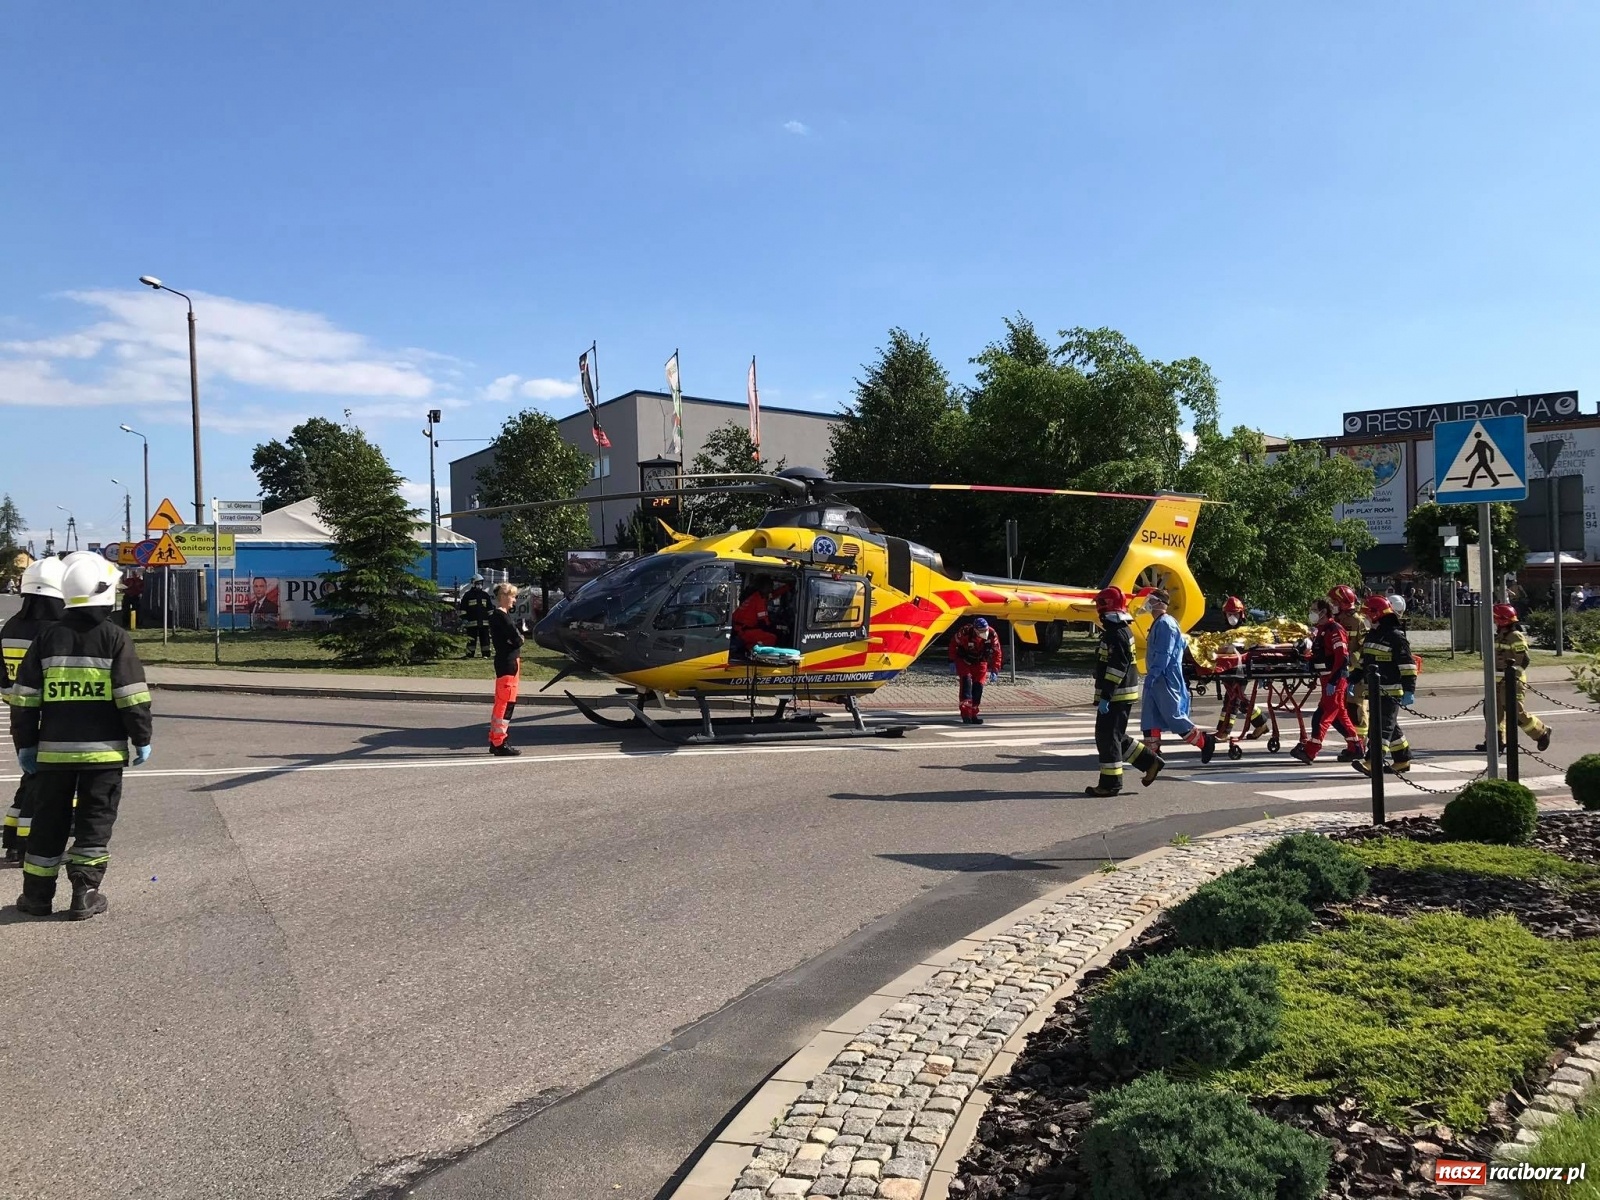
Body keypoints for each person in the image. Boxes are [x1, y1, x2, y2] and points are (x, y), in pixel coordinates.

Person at [10, 554, 152, 918]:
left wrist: (25, 744)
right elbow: (131, 696)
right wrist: (142, 737)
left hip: (53, 755)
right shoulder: (116, 638)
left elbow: (24, 699)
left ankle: (37, 897)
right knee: (93, 823)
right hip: (103, 756)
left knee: (48, 823)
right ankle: (85, 894)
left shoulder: (45, 638)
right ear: (105, 595)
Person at [2, 556, 66, 865]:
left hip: (20, 717)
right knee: (45, 786)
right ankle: (27, 845)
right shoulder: (54, 630)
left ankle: (13, 839)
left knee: (29, 779)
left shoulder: (11, 626)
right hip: (49, 718)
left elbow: (3, 681)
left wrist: (15, 702)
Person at [1085, 587, 1164, 796]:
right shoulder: (1119, 629)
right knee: (1114, 735)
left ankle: (1110, 784)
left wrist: (1106, 696)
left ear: (1105, 607)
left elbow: (1116, 668)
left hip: (1116, 696)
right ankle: (1150, 762)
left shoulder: (1116, 633)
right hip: (1119, 695)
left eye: (1099, 606)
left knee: (1107, 737)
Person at [1139, 589, 1218, 763]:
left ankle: (1205, 742)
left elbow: (1164, 653)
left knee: (1174, 717)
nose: (1148, 604)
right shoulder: (1159, 623)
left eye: (1151, 600)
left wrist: (1155, 673)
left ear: (1160, 603)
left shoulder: (1166, 624)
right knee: (1149, 718)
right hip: (1156, 678)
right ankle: (1153, 754)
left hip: (1166, 678)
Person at [1290, 598, 1365, 765]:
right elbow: (1320, 654)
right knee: (1340, 716)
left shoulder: (1335, 629)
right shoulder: (1321, 630)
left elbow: (1342, 657)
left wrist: (1335, 680)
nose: (1312, 612)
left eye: (1315, 609)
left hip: (1335, 679)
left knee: (1322, 716)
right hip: (1327, 679)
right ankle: (1356, 747)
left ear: (1324, 612)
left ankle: (1310, 752)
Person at [1352, 593, 1415, 777]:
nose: (1366, 619)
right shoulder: (1374, 634)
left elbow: (1408, 666)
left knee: (1381, 727)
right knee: (1390, 727)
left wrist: (1409, 690)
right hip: (1374, 690)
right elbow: (1365, 661)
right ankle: (1402, 759)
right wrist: (1354, 677)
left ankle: (1373, 761)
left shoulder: (1396, 637)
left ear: (1376, 614)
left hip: (1391, 691)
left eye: (1368, 615)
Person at [1480, 603, 1552, 753]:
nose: (1493, 621)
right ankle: (1495, 741)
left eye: (1495, 618)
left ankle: (1541, 732)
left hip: (1512, 682)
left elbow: (1523, 660)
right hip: (1497, 681)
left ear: (1502, 620)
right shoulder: (1499, 636)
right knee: (1492, 712)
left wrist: (1511, 677)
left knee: (1515, 713)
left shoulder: (1516, 636)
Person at [1214, 596, 1268, 743]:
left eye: (1235, 614)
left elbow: (1247, 647)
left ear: (1241, 614)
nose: (1232, 617)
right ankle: (1261, 724)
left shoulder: (1245, 632)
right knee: (1238, 698)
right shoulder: (1225, 631)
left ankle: (1225, 731)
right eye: (1229, 614)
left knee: (1234, 699)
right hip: (1230, 669)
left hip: (1242, 669)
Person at [487, 582, 525, 757]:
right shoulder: (502, 617)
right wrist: (518, 638)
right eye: (513, 596)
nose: (515, 600)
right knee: (506, 703)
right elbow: (517, 640)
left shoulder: (498, 616)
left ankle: (495, 739)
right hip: (508, 662)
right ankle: (500, 742)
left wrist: (516, 638)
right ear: (504, 596)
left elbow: (514, 638)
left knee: (501, 702)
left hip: (505, 661)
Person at [1328, 584, 1368, 739]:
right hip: (1340, 672)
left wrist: (1358, 670)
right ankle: (1352, 742)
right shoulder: (1335, 621)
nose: (1332, 605)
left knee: (1356, 709)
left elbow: (1365, 649)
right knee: (1338, 710)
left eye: (1335, 602)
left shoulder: (1359, 622)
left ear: (1343, 603)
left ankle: (1361, 745)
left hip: (1355, 674)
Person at [949, 616, 1003, 724]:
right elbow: (953, 644)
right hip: (965, 662)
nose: (985, 633)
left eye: (986, 630)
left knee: (978, 688)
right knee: (966, 686)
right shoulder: (965, 632)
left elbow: (997, 652)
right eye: (982, 631)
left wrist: (995, 669)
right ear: (976, 630)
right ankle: (965, 714)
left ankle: (973, 713)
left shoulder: (992, 634)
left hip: (981, 662)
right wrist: (951, 660)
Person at [733, 577, 781, 655]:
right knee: (772, 637)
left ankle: (750, 650)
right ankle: (761, 656)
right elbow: (763, 623)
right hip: (745, 631)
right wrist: (775, 628)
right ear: (764, 587)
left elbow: (774, 594)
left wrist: (787, 587)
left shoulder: (754, 596)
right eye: (770, 586)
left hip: (739, 629)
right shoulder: (759, 600)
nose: (771, 589)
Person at [459, 575, 493, 659]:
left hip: (484, 622)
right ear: (473, 584)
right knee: (471, 639)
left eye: (481, 583)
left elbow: (490, 609)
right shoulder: (468, 595)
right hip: (471, 623)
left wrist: (491, 619)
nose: (480, 585)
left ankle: (486, 654)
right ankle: (469, 654)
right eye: (478, 583)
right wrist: (464, 619)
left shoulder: (485, 595)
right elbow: (463, 609)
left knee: (485, 639)